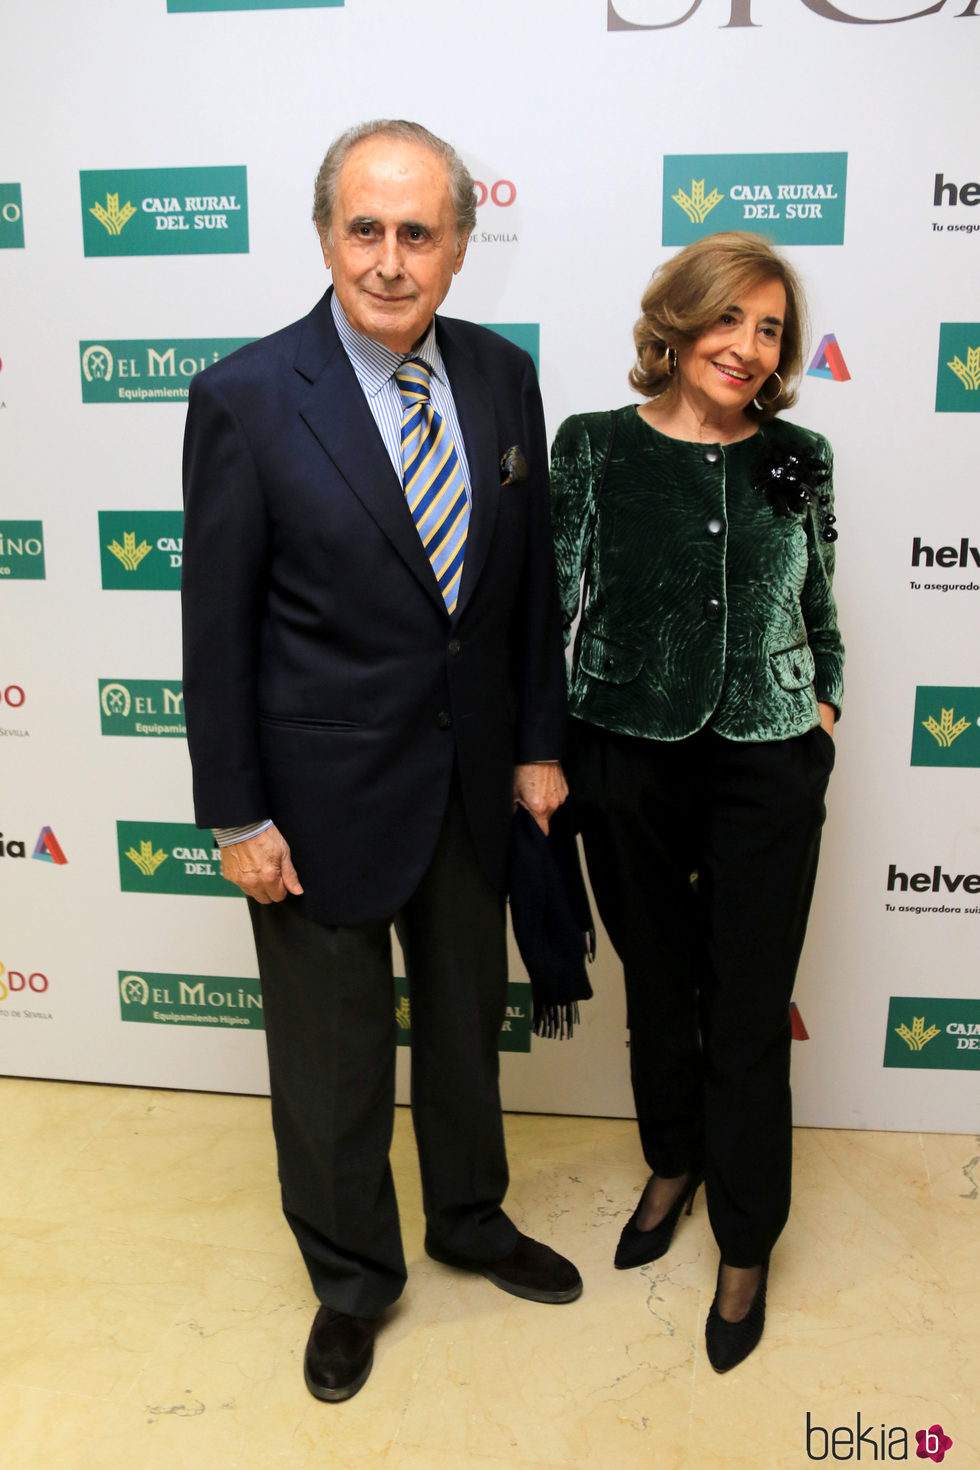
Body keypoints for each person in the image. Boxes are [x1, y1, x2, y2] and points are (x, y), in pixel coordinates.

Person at [181, 118, 581, 1405]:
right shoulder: (245, 396)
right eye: (367, 228)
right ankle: (353, 1281)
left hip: (471, 791)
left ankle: (468, 1216)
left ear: (462, 244)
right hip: (315, 803)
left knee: (465, 1032)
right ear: (324, 236)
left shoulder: (502, 380)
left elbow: (518, 599)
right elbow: (215, 626)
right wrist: (236, 812)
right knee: (334, 1066)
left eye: (419, 232)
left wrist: (534, 747)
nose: (391, 260)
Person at [550, 231, 843, 1373]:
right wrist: (548, 750)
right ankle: (670, 1164)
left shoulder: (800, 455)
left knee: (745, 1009)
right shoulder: (593, 449)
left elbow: (818, 599)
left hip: (768, 763)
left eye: (767, 329)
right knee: (657, 990)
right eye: (728, 320)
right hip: (624, 756)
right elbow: (549, 607)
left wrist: (823, 710)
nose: (746, 346)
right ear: (674, 324)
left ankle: (744, 1243)